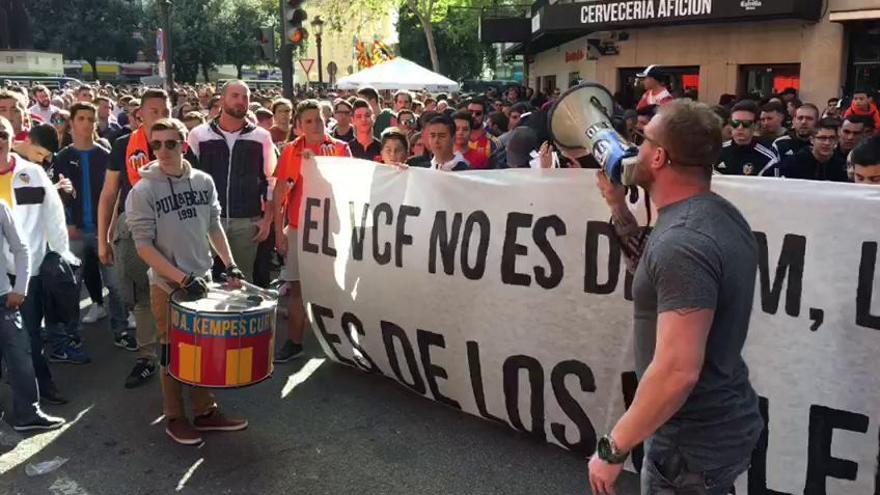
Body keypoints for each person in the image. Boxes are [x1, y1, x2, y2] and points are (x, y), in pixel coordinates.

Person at [588, 99, 762, 495]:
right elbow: (651, 274)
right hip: (715, 425)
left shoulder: (683, 242)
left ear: (660, 157)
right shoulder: (713, 215)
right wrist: (618, 206)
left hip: (689, 440)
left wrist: (613, 449)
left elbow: (677, 371)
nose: (636, 149)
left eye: (643, 140)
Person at [126, 118, 248, 446]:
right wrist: (181, 277)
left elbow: (213, 225)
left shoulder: (203, 181)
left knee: (201, 351)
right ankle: (175, 416)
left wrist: (231, 265)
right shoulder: (143, 190)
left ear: (184, 145)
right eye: (156, 144)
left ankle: (205, 411)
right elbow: (143, 247)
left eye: (171, 143)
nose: (163, 150)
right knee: (171, 353)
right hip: (167, 286)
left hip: (202, 280)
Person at [1, 116, 77, 405]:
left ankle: (42, 385)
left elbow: (54, 214)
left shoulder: (32, 172)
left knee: (31, 335)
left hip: (26, 270)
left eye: (2, 134)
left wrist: (61, 252)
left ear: (13, 139)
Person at [99, 88, 172, 389]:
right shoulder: (123, 144)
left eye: (165, 109)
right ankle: (147, 359)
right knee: (142, 296)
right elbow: (109, 193)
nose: (160, 115)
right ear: (140, 113)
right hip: (136, 228)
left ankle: (174, 355)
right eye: (153, 110)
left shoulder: (179, 142)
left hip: (172, 226)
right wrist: (103, 239)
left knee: (174, 292)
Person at [272, 99, 351, 363]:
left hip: (331, 229)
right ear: (298, 126)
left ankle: (341, 344)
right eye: (309, 121)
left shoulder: (340, 149)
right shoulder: (290, 151)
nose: (316, 125)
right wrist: (278, 232)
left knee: (334, 286)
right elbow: (280, 193)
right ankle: (295, 342)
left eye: (318, 119)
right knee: (297, 287)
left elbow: (353, 188)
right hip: (297, 228)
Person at [53, 102, 132, 354]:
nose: (86, 123)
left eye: (90, 118)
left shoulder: (105, 155)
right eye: (81, 118)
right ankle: (71, 334)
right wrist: (67, 223)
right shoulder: (62, 157)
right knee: (71, 288)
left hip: (103, 232)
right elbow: (55, 196)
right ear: (72, 122)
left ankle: (120, 330)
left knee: (116, 285)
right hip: (74, 233)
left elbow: (116, 194)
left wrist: (109, 227)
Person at [187, 80, 276, 283]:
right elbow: (189, 179)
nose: (241, 101)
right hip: (207, 220)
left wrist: (267, 218)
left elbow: (271, 180)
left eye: (245, 97)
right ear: (222, 99)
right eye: (235, 96)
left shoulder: (261, 137)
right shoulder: (199, 135)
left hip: (246, 222)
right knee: (203, 278)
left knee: (242, 283)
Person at [770, 118, 848, 182]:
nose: (827, 143)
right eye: (822, 138)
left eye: (831, 138)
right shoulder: (794, 162)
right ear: (812, 140)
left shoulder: (841, 165)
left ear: (837, 140)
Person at [715, 100, 774, 176]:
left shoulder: (767, 159)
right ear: (730, 125)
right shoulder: (717, 152)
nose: (740, 127)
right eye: (735, 123)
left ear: (756, 125)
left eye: (746, 123)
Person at [465, 99, 501, 169]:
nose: (473, 116)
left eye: (478, 113)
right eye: (470, 112)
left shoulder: (494, 141)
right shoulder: (455, 138)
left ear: (484, 116)